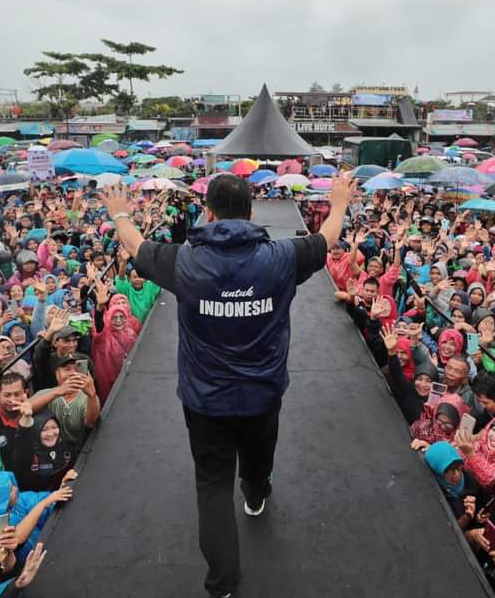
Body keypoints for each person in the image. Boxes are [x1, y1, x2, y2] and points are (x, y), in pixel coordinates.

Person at [99, 173, 355, 598]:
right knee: (258, 459)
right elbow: (326, 239)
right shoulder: (280, 258)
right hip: (262, 395)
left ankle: (222, 584)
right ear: (251, 213)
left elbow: (136, 246)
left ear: (209, 213)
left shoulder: (185, 261)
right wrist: (340, 201)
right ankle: (256, 493)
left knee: (213, 486)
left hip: (205, 401)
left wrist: (119, 211)